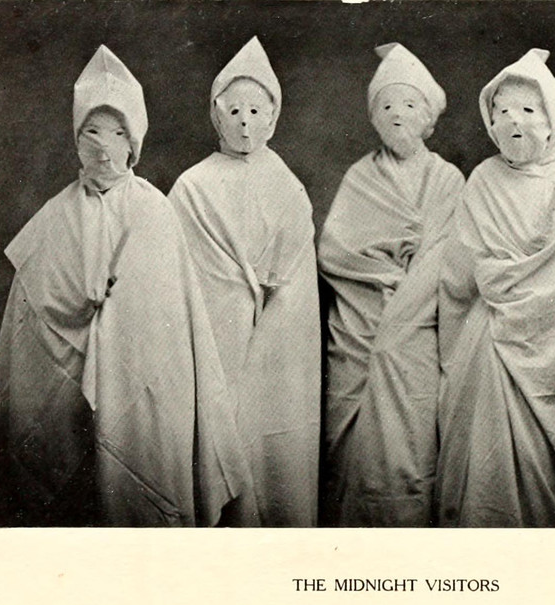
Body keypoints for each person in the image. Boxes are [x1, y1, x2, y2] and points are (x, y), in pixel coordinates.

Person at [0, 45, 255, 527]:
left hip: (143, 385)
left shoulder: (155, 212)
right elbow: (29, 323)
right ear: (76, 138)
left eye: (117, 133)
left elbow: (167, 323)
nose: (104, 148)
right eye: (92, 131)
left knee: (145, 468)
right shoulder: (55, 216)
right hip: (67, 402)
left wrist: (115, 319)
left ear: (134, 142)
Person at [435, 48, 555, 527]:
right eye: (503, 110)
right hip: (487, 345)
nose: (514, 121)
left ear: (553, 117)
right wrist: (494, 277)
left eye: (528, 109)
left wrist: (499, 276)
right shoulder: (484, 178)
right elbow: (460, 272)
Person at [168, 36, 320, 527]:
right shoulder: (192, 187)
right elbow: (179, 268)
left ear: (272, 117)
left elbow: (296, 276)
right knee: (219, 428)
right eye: (235, 111)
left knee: (270, 441)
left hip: (276, 339)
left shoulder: (287, 185)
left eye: (255, 112)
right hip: (214, 330)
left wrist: (269, 303)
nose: (245, 123)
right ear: (218, 116)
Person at [317, 43, 465, 526]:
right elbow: (335, 252)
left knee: (411, 449)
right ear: (373, 118)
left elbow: (447, 256)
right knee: (351, 457)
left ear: (429, 118)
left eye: (409, 104)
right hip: (359, 328)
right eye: (385, 105)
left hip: (418, 330)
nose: (397, 114)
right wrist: (385, 276)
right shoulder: (359, 177)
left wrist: (404, 298)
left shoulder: (448, 180)